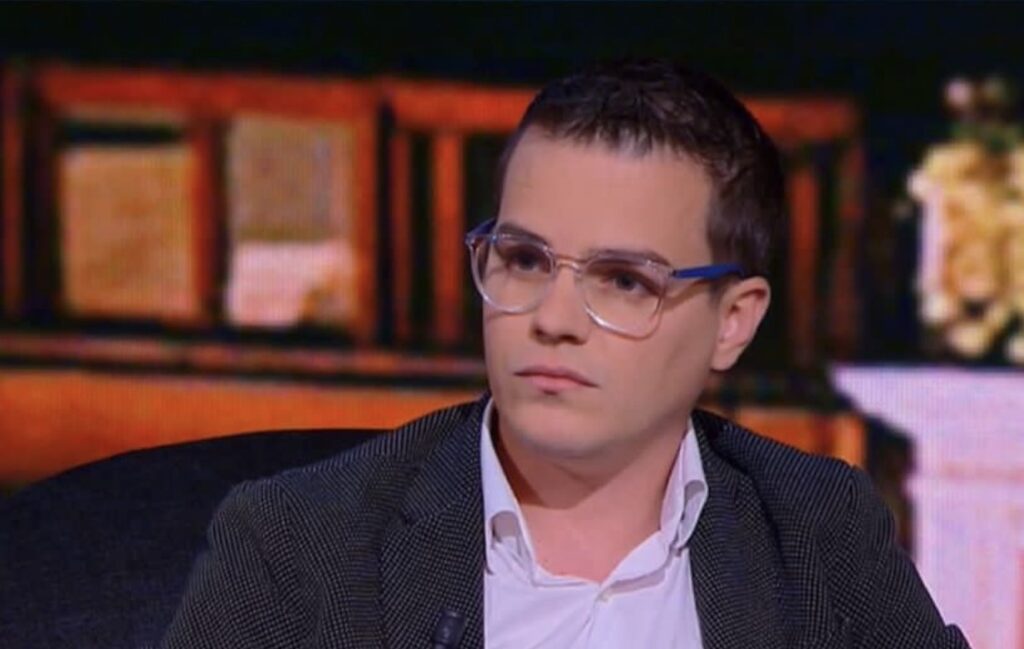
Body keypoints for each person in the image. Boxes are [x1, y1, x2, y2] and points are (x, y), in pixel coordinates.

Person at [161, 59, 970, 648]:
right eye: (524, 260)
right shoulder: (301, 547)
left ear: (733, 321)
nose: (552, 319)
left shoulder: (816, 531)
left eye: (622, 280)